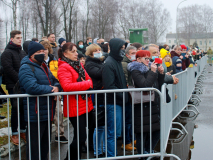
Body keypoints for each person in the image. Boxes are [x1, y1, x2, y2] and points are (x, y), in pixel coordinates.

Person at [18, 41, 60, 160]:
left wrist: (57, 87)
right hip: (34, 113)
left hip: (47, 111)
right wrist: (51, 89)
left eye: (43, 51)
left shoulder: (43, 66)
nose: (42, 53)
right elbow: (31, 87)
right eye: (38, 52)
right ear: (31, 54)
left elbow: (54, 80)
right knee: (34, 147)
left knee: (45, 145)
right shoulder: (26, 67)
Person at [57, 42, 94, 160]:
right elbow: (67, 86)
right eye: (72, 51)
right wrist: (85, 84)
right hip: (74, 106)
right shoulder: (63, 67)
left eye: (76, 51)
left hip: (84, 104)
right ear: (65, 54)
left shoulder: (78, 65)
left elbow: (90, 81)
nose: (76, 53)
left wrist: (85, 83)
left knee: (80, 137)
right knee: (81, 137)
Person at [127, 50, 165, 158]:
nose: (148, 60)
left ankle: (149, 150)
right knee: (142, 133)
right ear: (138, 59)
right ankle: (142, 155)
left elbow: (158, 85)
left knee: (156, 131)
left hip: (152, 104)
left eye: (149, 58)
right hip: (142, 104)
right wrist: (153, 72)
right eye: (145, 58)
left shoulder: (149, 68)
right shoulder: (135, 70)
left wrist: (160, 74)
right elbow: (145, 85)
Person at [102, 38, 129, 157]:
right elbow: (110, 86)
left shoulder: (116, 61)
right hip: (113, 103)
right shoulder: (109, 63)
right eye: (121, 48)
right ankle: (111, 156)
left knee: (116, 132)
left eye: (124, 48)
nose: (123, 51)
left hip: (119, 101)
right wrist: (124, 94)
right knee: (113, 133)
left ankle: (112, 155)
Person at [1, 30, 27, 145]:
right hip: (13, 85)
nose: (20, 39)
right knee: (16, 109)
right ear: (11, 39)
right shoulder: (7, 53)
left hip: (23, 85)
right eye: (17, 38)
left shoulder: (22, 52)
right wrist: (21, 79)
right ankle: (14, 133)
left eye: (21, 37)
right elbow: (8, 69)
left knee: (23, 109)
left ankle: (22, 130)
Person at [40, 40, 68, 143]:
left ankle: (59, 134)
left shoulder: (54, 61)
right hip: (43, 91)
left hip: (55, 90)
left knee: (58, 113)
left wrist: (57, 88)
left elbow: (59, 76)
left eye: (46, 49)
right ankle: (43, 136)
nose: (44, 52)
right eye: (42, 50)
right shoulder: (37, 62)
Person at [85, 44, 105, 158]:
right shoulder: (90, 64)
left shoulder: (100, 62)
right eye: (95, 51)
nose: (98, 52)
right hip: (96, 97)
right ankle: (97, 151)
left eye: (99, 50)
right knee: (98, 125)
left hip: (102, 96)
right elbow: (98, 74)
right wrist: (106, 66)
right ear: (90, 53)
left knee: (103, 126)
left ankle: (102, 149)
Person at [121, 46, 137, 151]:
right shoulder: (124, 64)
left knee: (131, 119)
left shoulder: (132, 63)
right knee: (127, 120)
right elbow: (126, 81)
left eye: (136, 52)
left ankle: (132, 138)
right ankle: (126, 142)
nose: (134, 54)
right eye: (132, 53)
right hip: (127, 95)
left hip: (132, 94)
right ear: (127, 54)